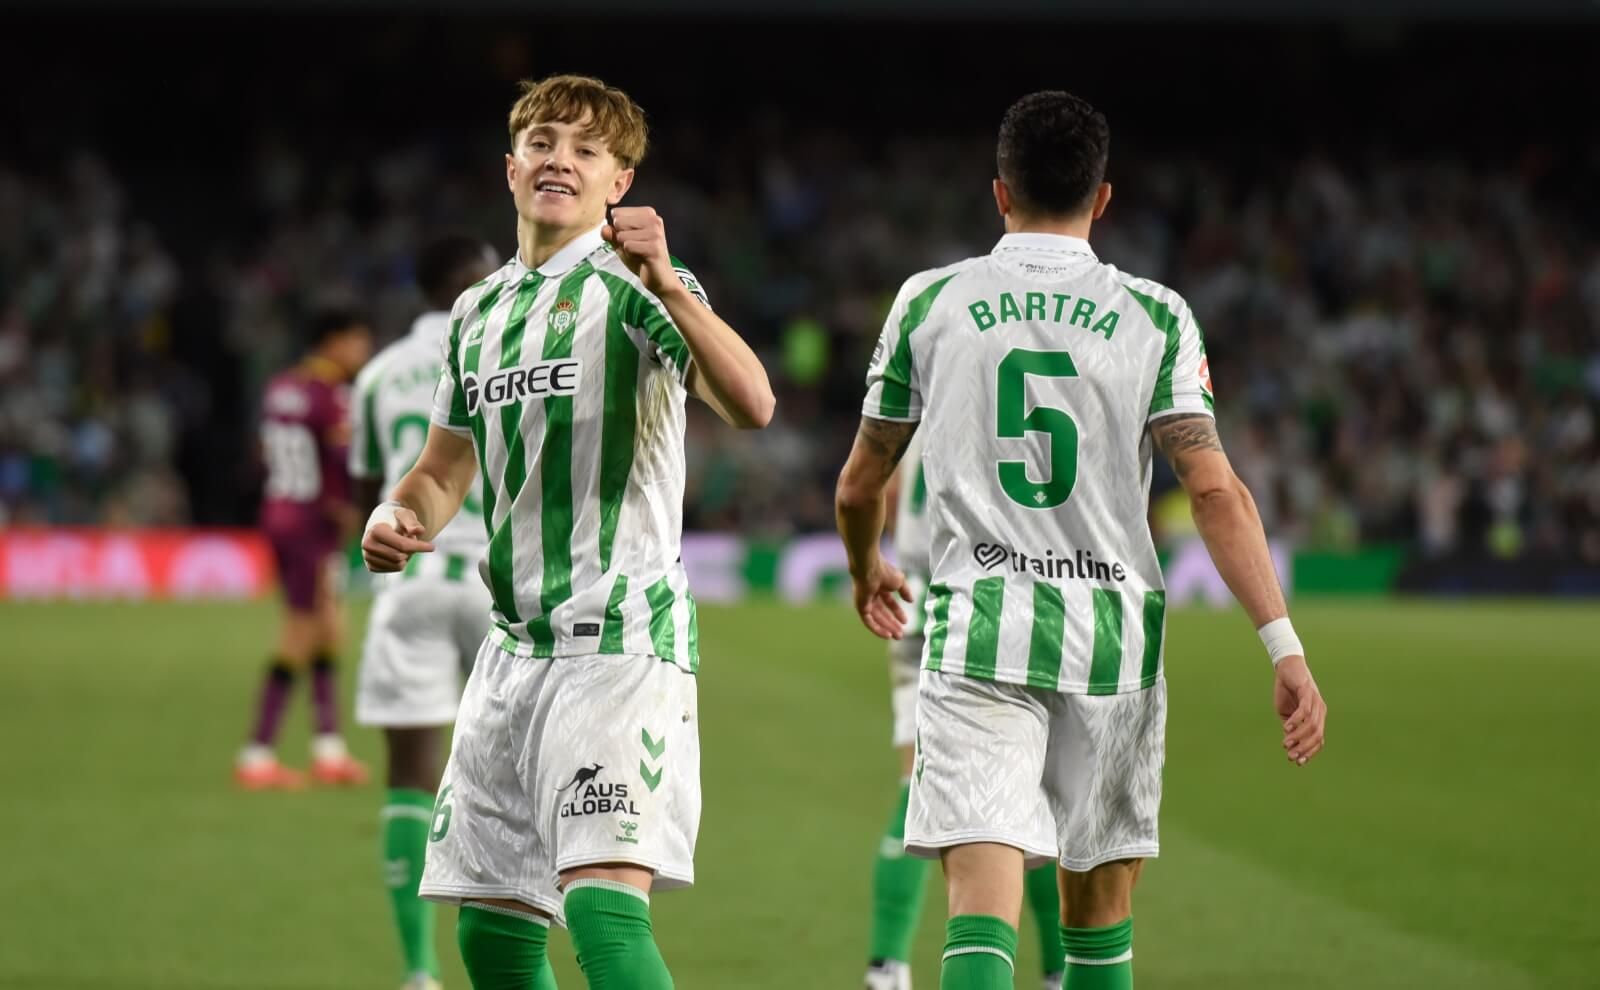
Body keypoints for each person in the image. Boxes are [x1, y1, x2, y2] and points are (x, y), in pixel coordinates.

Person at [835, 90, 1328, 990]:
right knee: (1098, 919)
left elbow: (861, 482)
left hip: (977, 628)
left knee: (981, 901)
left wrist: (868, 568)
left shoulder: (929, 302)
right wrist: (1282, 643)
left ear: (999, 193)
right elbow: (1214, 490)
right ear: (1103, 199)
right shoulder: (1157, 317)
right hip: (1111, 642)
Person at [359, 74, 774, 989]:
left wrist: (669, 284)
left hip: (619, 642)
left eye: (589, 150)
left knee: (602, 909)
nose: (562, 159)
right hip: (510, 654)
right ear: (511, 170)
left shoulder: (635, 287)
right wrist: (397, 515)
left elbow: (752, 402)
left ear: (619, 184)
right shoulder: (477, 314)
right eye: (545, 141)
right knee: (494, 941)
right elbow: (440, 470)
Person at [348, 233, 500, 990]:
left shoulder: (377, 374)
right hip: (495, 580)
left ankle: (418, 969)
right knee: (506, 780)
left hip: (409, 577)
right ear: (470, 278)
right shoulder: (504, 334)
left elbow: (369, 487)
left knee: (410, 774)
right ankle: (511, 946)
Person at [867, 430, 1066, 990]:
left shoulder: (920, 382)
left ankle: (885, 967)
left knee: (915, 780)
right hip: (982, 599)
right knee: (1033, 790)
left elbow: (883, 487)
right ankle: (1058, 970)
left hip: (915, 596)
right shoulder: (990, 387)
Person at [239, 306, 373, 789]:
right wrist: (350, 512)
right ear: (333, 341)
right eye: (357, 340)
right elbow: (341, 459)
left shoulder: (281, 386)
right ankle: (258, 755)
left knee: (328, 627)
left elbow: (263, 450)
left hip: (279, 510)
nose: (362, 352)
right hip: (313, 521)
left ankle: (328, 747)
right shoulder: (333, 396)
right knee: (302, 629)